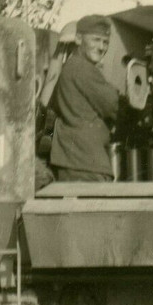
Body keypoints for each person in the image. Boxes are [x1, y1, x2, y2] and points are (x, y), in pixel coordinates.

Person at [49, 14, 121, 182]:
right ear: (79, 39)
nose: (101, 47)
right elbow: (113, 104)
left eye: (105, 42)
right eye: (95, 40)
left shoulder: (72, 65)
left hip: (75, 159)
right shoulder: (83, 68)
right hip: (85, 162)